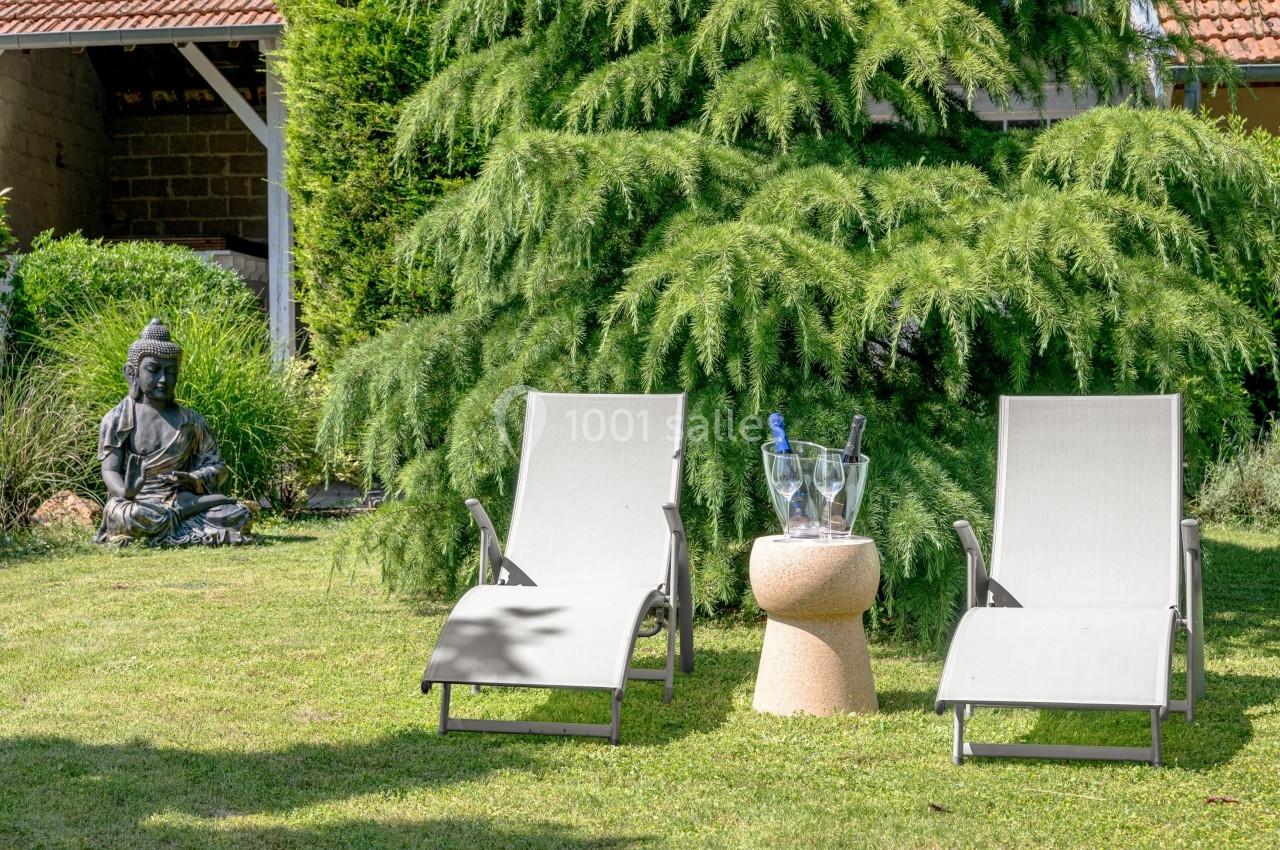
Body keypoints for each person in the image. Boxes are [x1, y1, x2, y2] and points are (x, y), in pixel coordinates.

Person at [95, 319, 253, 546]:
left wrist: (193, 478)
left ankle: (177, 520)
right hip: (139, 502)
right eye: (153, 370)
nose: (163, 379)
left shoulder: (191, 421)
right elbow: (109, 469)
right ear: (132, 373)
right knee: (126, 516)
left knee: (237, 513)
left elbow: (218, 467)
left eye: (170, 372)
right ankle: (181, 524)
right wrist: (126, 491)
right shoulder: (117, 419)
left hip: (181, 497)